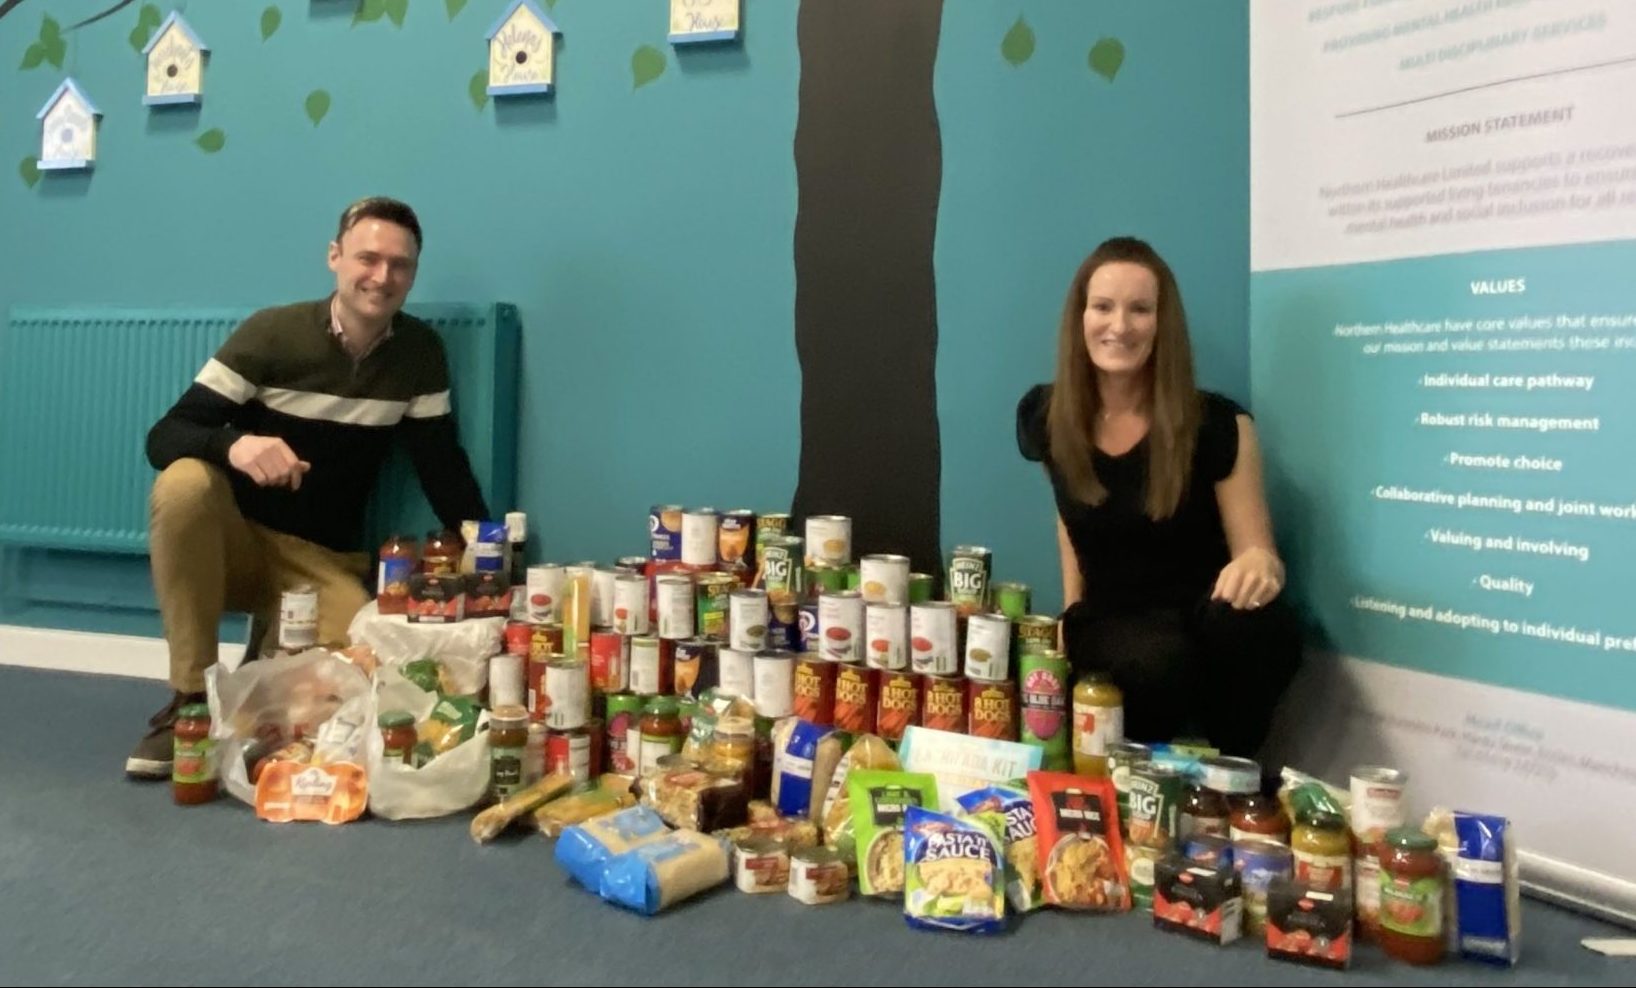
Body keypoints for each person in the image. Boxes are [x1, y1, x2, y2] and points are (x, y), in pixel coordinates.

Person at [126, 197, 491, 779]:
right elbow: (166, 435)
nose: (382, 277)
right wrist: (236, 446)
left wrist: (491, 552)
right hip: (237, 544)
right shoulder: (272, 334)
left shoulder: (419, 354)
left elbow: (441, 466)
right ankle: (190, 699)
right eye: (368, 258)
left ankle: (266, 654)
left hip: (321, 564)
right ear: (334, 257)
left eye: (399, 265)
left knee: (339, 698)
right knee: (184, 482)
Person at [1016, 236, 1300, 759]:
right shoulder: (1047, 417)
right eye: (1103, 306)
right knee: (1155, 661)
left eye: (1140, 309)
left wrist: (1262, 565)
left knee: (1261, 628)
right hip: (1113, 620)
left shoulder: (1218, 424)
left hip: (1202, 613)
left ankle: (1234, 772)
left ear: (1162, 323)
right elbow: (1070, 516)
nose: (1119, 325)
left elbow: (1258, 553)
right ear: (1080, 318)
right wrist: (1072, 609)